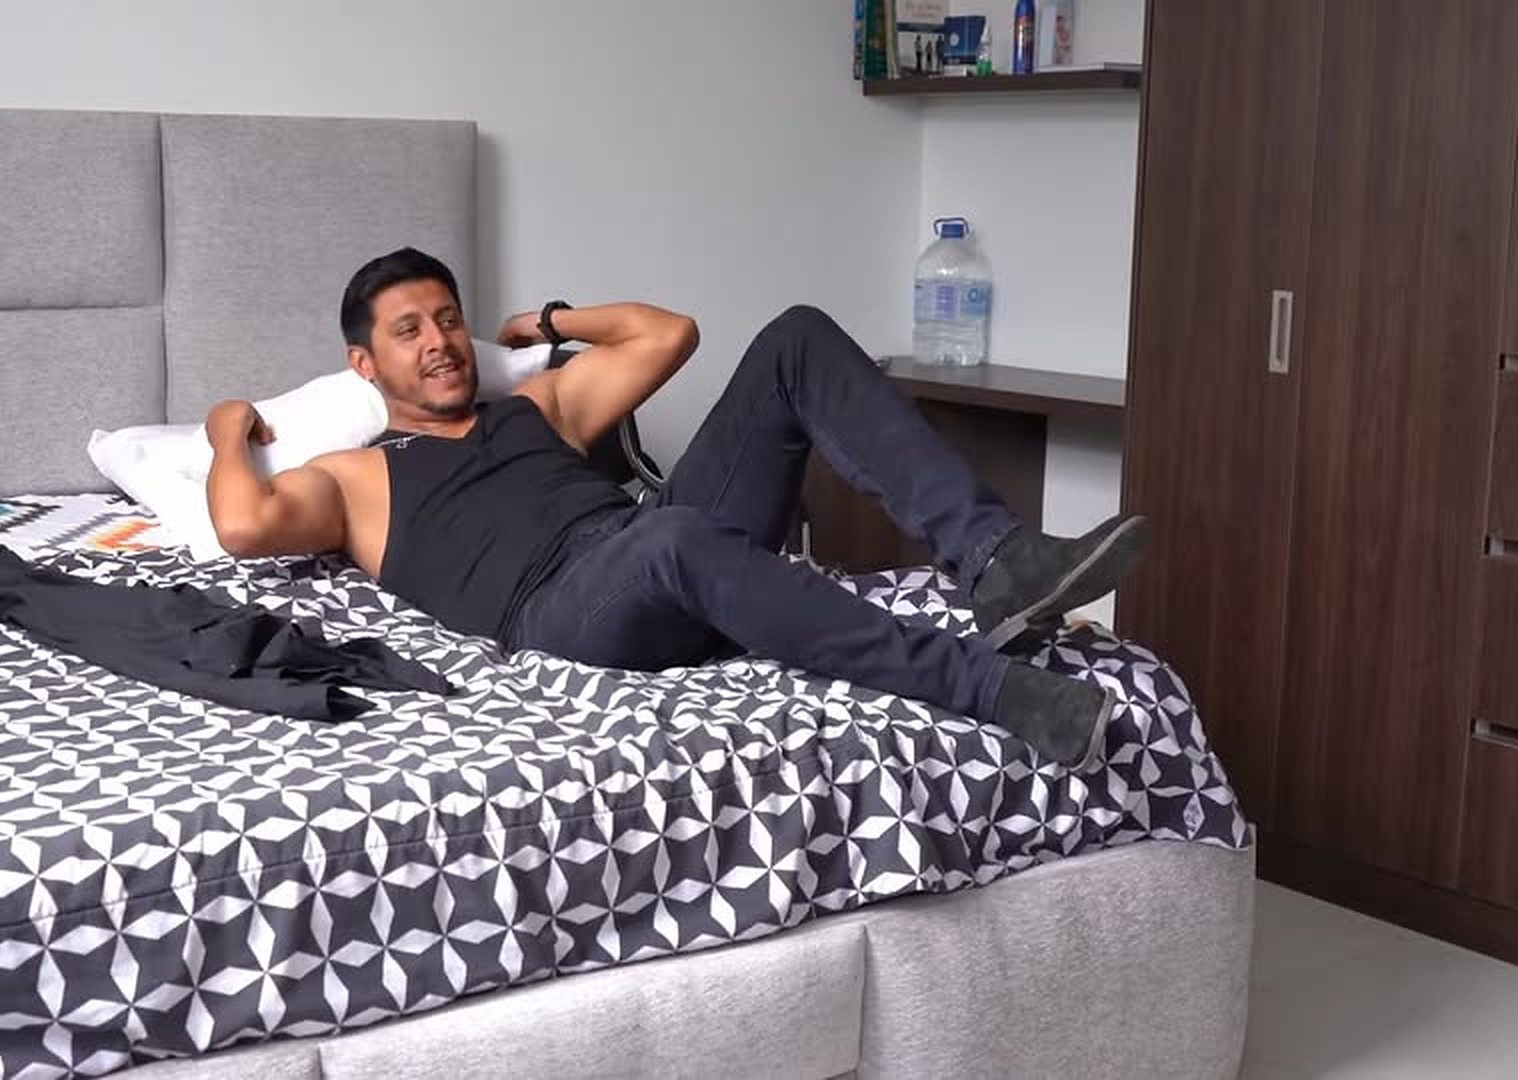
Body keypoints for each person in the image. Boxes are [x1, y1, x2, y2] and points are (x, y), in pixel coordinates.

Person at [203, 248, 1148, 770]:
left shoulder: (535, 405)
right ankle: (993, 690)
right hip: (562, 609)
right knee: (672, 536)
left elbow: (669, 334)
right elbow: (243, 526)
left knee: (794, 340)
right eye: (408, 331)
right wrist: (225, 432)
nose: (440, 342)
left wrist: (548, 324)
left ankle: (996, 559)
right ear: (364, 365)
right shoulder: (357, 475)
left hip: (659, 543)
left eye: (447, 318)